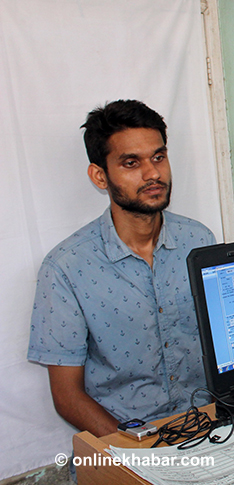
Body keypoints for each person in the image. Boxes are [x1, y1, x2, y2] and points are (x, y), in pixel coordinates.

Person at [27, 100, 217, 438]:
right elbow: (67, 397)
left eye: (158, 157)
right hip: (126, 442)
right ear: (100, 175)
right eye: (131, 163)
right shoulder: (66, 268)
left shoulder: (198, 240)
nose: (153, 174)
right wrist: (141, 449)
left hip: (210, 428)